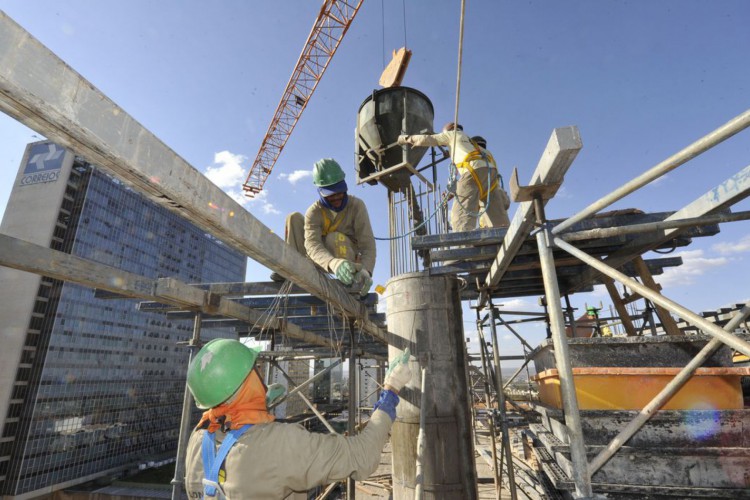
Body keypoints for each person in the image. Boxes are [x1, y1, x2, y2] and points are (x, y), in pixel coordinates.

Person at [184, 338, 412, 499]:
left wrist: (260, 405)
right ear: (248, 383)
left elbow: (232, 427)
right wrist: (390, 391)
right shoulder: (279, 445)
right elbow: (363, 455)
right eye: (256, 370)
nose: (260, 373)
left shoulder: (197, 439)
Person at [272, 158, 375, 297]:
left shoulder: (357, 206)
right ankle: (289, 268)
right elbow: (312, 244)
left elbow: (367, 244)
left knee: (334, 238)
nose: (337, 197)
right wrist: (332, 263)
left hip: (348, 262)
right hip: (320, 259)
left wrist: (366, 271)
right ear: (320, 191)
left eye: (339, 191)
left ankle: (349, 283)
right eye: (331, 194)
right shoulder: (313, 212)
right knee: (294, 218)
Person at [397, 123, 511, 232]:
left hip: (473, 171)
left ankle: (465, 245)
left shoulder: (452, 134)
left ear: (451, 128)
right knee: (498, 218)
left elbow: (428, 139)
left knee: (460, 217)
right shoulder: (474, 145)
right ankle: (506, 237)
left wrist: (406, 139)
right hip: (490, 175)